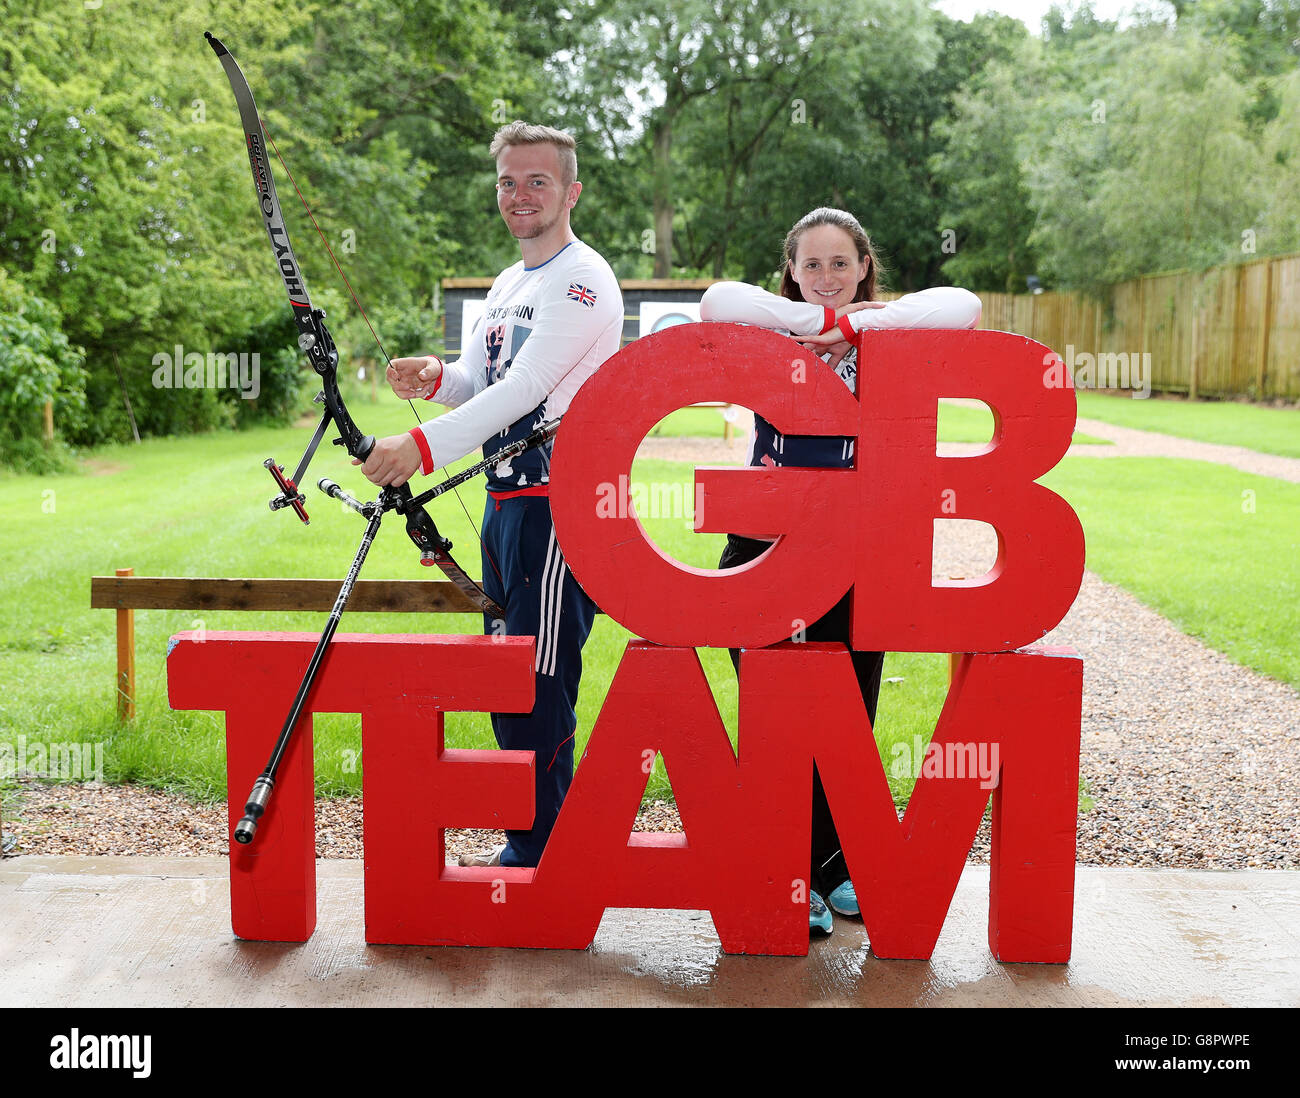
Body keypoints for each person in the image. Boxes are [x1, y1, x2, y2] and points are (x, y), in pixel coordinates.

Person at [699, 207, 981, 936]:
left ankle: (835, 867)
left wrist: (854, 327)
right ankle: (796, 872)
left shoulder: (889, 331)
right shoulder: (766, 327)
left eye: (841, 264)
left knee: (847, 715)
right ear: (790, 271)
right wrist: (805, 325)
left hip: (857, 550)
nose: (827, 278)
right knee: (780, 714)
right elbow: (717, 298)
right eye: (811, 264)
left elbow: (967, 305)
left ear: (864, 269)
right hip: (763, 543)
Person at [359, 121, 623, 869]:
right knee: (505, 678)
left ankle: (549, 858)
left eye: (537, 181)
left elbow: (532, 387)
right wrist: (437, 379)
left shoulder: (583, 278)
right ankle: (531, 841)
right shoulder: (509, 284)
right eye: (508, 181)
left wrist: (417, 449)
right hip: (507, 508)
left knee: (539, 681)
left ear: (571, 190)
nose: (520, 196)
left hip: (558, 507)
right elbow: (484, 384)